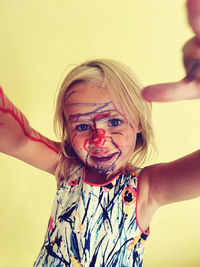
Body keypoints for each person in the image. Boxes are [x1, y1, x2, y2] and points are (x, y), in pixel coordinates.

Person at [0, 0, 200, 266]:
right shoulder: (66, 169)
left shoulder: (147, 189)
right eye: (83, 126)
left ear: (139, 121)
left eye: (115, 122)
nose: (99, 139)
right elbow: (19, 138)